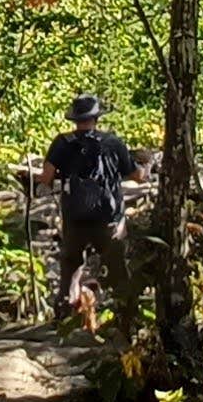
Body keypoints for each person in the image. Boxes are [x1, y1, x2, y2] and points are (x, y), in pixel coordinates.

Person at [43, 93, 138, 341]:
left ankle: (64, 319)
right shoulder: (113, 143)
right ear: (96, 118)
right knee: (117, 270)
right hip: (109, 219)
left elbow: (46, 177)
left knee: (71, 266)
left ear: (75, 119)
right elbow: (136, 176)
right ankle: (125, 321)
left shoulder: (62, 143)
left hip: (75, 218)